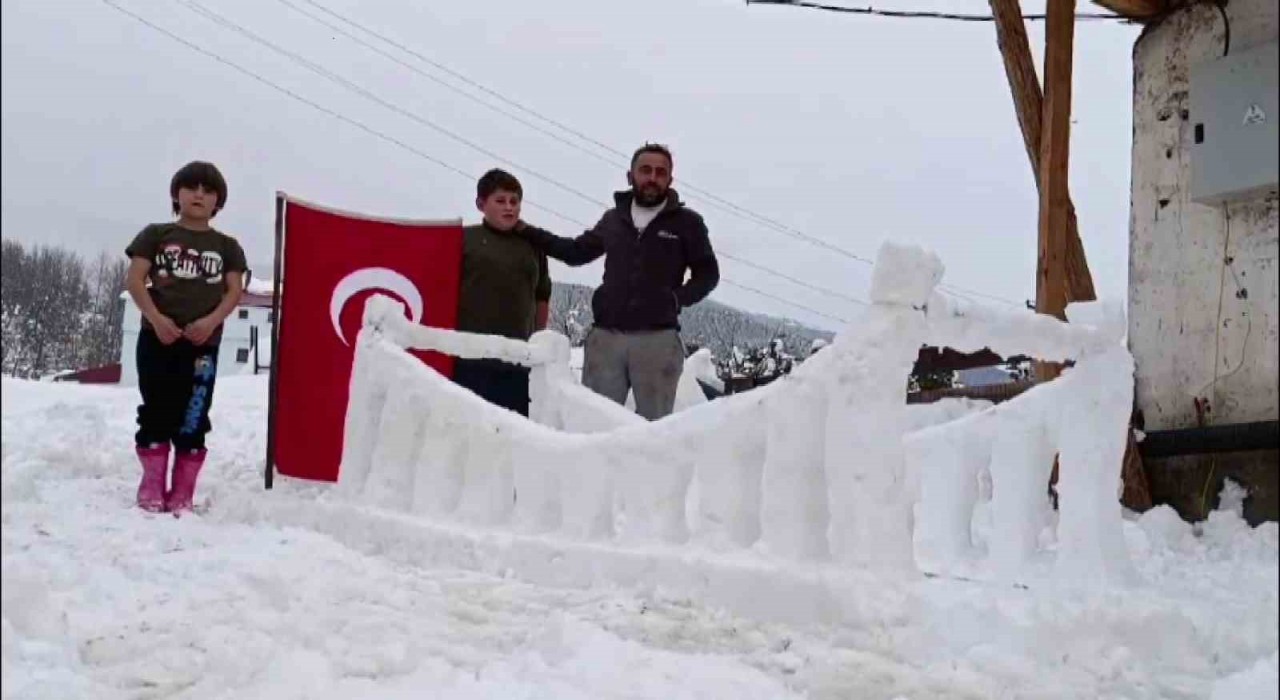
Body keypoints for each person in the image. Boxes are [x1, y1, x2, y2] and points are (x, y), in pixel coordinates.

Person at [521, 143, 719, 420]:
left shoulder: (687, 223)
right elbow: (576, 252)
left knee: (654, 426)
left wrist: (676, 299)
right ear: (630, 176)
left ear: (670, 180)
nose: (652, 178)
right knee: (595, 421)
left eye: (660, 172)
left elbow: (708, 274)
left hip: (657, 340)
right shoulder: (614, 219)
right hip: (606, 338)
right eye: (645, 170)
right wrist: (526, 232)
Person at [124, 161, 246, 514]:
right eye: (192, 187)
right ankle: (151, 486)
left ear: (218, 201)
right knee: (155, 410)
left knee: (194, 415)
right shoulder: (155, 234)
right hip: (156, 339)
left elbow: (234, 291)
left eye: (208, 191)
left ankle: (182, 491)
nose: (199, 195)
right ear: (176, 194)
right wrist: (156, 319)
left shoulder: (227, 247)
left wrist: (210, 322)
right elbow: (135, 280)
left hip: (202, 345)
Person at [453, 168, 552, 416]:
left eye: (514, 201)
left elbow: (542, 296)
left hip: (516, 357)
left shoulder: (534, 246)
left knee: (512, 426)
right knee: (467, 423)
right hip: (469, 355)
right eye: (500, 201)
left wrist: (536, 341)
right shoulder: (463, 240)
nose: (509, 207)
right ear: (481, 204)